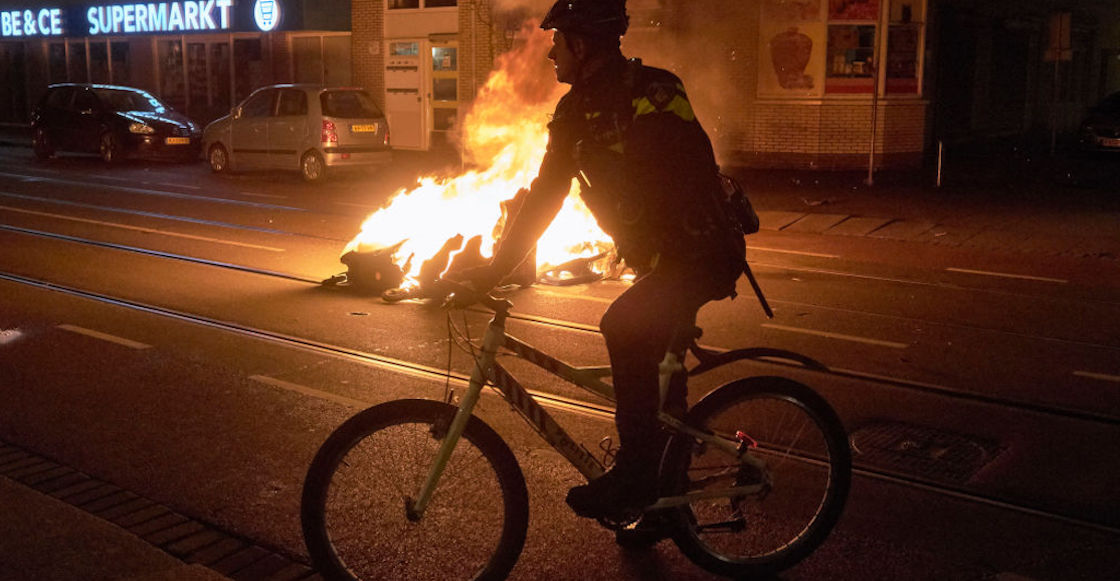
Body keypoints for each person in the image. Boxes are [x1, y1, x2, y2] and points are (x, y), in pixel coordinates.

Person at [464, 0, 746, 521]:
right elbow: (545, 197)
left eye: (558, 40)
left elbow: (681, 175)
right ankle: (666, 501)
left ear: (582, 44)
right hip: (662, 259)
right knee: (660, 373)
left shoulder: (655, 92)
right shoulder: (575, 112)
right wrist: (495, 268)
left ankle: (639, 477)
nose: (550, 52)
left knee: (623, 325)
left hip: (700, 250)